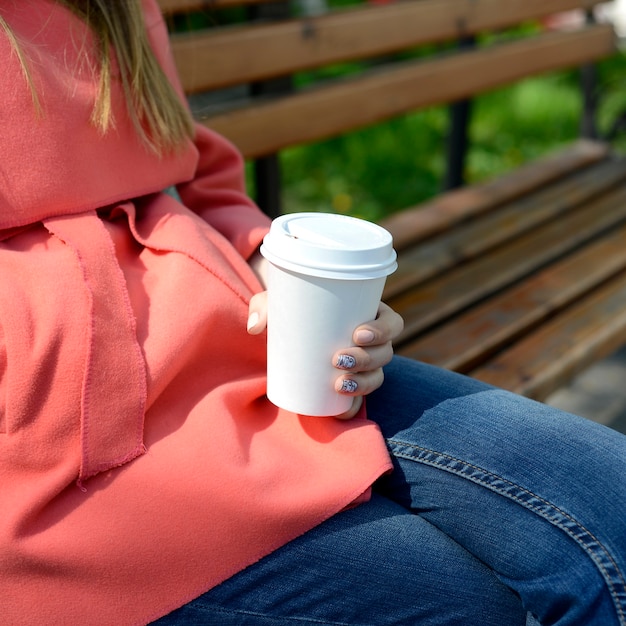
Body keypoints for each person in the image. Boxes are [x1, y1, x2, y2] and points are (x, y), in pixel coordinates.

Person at [0, 2, 624, 624]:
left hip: (238, 348)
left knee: (610, 504)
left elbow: (183, 169)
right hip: (59, 439)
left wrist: (281, 274)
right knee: (477, 610)